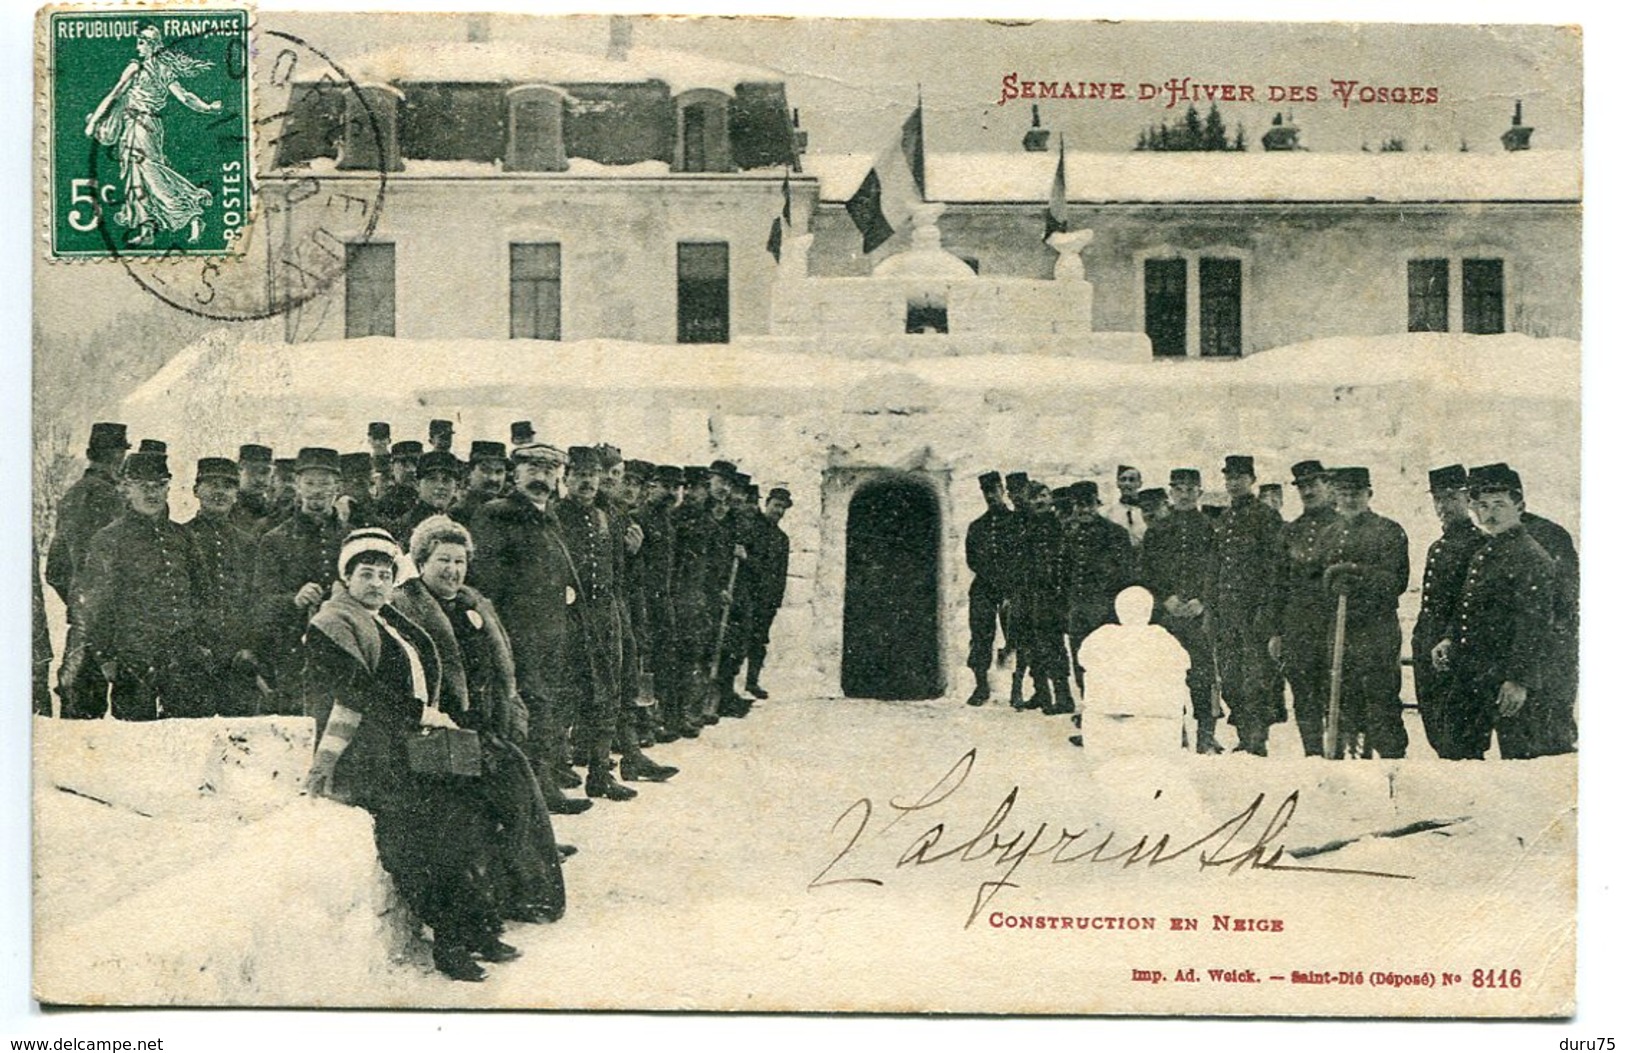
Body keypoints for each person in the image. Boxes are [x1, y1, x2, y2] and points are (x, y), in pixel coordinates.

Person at [301, 528, 516, 982]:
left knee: (464, 816)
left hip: (407, 748)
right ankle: (453, 942)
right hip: (368, 755)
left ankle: (473, 927)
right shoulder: (332, 622)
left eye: (384, 574)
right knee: (423, 838)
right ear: (347, 576)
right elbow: (358, 691)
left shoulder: (383, 618)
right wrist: (424, 713)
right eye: (366, 574)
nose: (377, 583)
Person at [393, 516, 569, 919]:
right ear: (421, 562)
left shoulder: (473, 603)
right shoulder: (407, 605)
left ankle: (524, 892)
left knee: (518, 786)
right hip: (441, 734)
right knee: (483, 803)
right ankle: (499, 898)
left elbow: (499, 667)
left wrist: (508, 710)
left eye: (459, 561)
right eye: (443, 561)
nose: (453, 571)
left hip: (483, 727)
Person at [468, 443, 594, 813]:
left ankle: (545, 791)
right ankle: (527, 801)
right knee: (522, 717)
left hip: (551, 635)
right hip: (516, 637)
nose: (542, 478)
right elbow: (487, 584)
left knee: (546, 713)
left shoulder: (548, 517)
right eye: (533, 470)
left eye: (549, 471)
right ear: (516, 475)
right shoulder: (497, 514)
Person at [71, 450, 206, 720]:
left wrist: (200, 643)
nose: (151, 493)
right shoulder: (109, 539)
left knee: (186, 738)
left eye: (159, 486)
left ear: (168, 488)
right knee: (135, 745)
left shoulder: (182, 536)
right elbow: (95, 606)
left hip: (181, 657)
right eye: (143, 486)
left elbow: (200, 593)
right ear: (126, 488)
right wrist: (106, 656)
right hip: (133, 660)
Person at [1434, 464, 1556, 760]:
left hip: (1506, 680)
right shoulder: (1485, 551)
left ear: (1520, 506)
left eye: (1500, 505)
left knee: (1517, 766)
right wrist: (1450, 638)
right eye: (1482, 505)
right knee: (1458, 756)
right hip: (1472, 672)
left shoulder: (1530, 557)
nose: (1490, 513)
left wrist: (1518, 680)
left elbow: (1534, 625)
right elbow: (1470, 604)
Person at [83, 24, 221, 246]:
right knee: (135, 173)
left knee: (148, 171)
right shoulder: (154, 69)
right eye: (139, 41)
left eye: (142, 42)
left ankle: (190, 212)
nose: (138, 46)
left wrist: (95, 122)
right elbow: (184, 97)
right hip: (143, 124)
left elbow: (115, 94)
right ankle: (147, 227)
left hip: (143, 124)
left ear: (153, 45)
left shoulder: (144, 69)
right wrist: (207, 108)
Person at [1320, 467, 1410, 758]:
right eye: (1344, 494)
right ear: (1335, 497)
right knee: (1342, 698)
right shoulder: (1329, 534)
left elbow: (1396, 580)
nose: (1350, 500)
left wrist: (1358, 574)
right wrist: (1330, 580)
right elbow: (1317, 580)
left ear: (1369, 494)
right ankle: (1347, 760)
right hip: (1340, 629)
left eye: (1356, 494)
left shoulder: (1388, 530)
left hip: (1377, 629)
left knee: (1380, 700)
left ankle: (1390, 763)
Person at [250, 447, 347, 715]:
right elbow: (260, 604)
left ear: (337, 487)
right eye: (310, 482)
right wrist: (294, 599)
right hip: (291, 656)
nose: (317, 490)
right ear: (297, 485)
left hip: (342, 653)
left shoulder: (350, 539)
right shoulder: (274, 540)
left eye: (325, 483)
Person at [46, 422, 131, 718]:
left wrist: (78, 600)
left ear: (88, 454)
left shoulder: (70, 497)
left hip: (81, 625)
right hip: (115, 623)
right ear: (120, 458)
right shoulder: (114, 499)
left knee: (78, 720)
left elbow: (54, 570)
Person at [1140, 468, 1221, 753]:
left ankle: (1206, 735)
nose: (1184, 495)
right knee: (1167, 675)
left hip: (1201, 616)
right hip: (1167, 617)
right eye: (1179, 489)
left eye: (1190, 489)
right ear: (1171, 492)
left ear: (1199, 492)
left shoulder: (1212, 529)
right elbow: (1147, 572)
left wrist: (1202, 600)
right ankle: (1173, 732)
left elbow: (1217, 570)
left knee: (1204, 675)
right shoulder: (1157, 531)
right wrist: (1166, 599)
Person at [1209, 455, 1283, 756]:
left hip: (1255, 614)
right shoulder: (1225, 519)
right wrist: (1212, 609)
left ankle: (1256, 740)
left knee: (1256, 680)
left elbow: (1275, 569)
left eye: (1239, 477)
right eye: (1228, 478)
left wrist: (1267, 612)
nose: (1233, 483)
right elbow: (1216, 567)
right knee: (1231, 679)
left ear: (1252, 480)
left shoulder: (1266, 516)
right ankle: (1243, 735)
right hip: (1228, 613)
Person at [1411, 465, 1481, 759]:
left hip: (1458, 649)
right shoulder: (1437, 547)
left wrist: (1452, 639)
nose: (1442, 506)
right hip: (1429, 644)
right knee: (1436, 729)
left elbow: (1473, 603)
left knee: (1459, 735)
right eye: (1438, 499)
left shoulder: (1478, 545)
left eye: (1451, 498)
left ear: (1468, 499)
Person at [182, 457, 260, 716]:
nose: (219, 492)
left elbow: (255, 599)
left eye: (227, 487)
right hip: (191, 660)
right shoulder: (179, 538)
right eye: (211, 485)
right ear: (196, 490)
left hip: (238, 660)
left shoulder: (248, 544)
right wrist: (190, 646)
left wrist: (249, 647)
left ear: (236, 495)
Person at [1273, 460, 1339, 756]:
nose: (1308, 491)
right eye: (1303, 486)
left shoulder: (1342, 527)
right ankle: (1312, 755)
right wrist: (1276, 632)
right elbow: (1277, 585)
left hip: (1334, 624)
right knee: (1303, 694)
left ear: (1328, 486)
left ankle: (1339, 758)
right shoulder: (1290, 532)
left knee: (1339, 693)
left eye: (1314, 484)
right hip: (1298, 626)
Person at [1062, 481, 1134, 707]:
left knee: (1107, 664)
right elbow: (1061, 573)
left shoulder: (1115, 533)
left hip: (1106, 612)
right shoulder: (1067, 533)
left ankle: (1109, 710)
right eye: (1078, 505)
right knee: (1080, 661)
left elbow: (1126, 574)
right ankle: (1090, 709)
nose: (1084, 510)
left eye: (1089, 504)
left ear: (1097, 504)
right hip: (1078, 611)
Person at [964, 471, 1013, 706]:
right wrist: (991, 577)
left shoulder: (1016, 522)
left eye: (994, 490)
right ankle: (981, 685)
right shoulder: (977, 526)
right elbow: (972, 560)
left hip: (1010, 587)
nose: (990, 496)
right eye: (986, 491)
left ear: (1002, 490)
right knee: (980, 634)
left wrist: (1008, 585)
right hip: (983, 587)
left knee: (1016, 635)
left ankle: (1020, 685)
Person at [748, 487, 793, 700]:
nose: (780, 511)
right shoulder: (752, 529)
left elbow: (780, 573)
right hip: (747, 594)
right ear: (767, 504)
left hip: (766, 598)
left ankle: (752, 681)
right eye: (777, 505)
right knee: (739, 639)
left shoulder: (782, 539)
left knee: (759, 641)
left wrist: (776, 600)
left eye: (783, 508)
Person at [392, 450, 462, 542]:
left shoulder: (459, 522)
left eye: (446, 480)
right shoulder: (408, 524)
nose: (440, 486)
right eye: (432, 479)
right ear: (417, 485)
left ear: (456, 487)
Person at [450, 441, 509, 526]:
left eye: (499, 472)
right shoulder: (458, 513)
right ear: (469, 472)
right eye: (486, 470)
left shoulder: (509, 511)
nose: (493, 478)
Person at [231, 443, 276, 532]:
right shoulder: (227, 510)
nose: (260, 479)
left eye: (265, 472)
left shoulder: (274, 511)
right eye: (253, 471)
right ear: (240, 470)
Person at [1103, 465, 1148, 547]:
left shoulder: (1146, 511)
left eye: (1132, 480)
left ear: (1139, 484)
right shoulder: (1108, 513)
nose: (1127, 484)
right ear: (1117, 483)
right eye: (1123, 480)